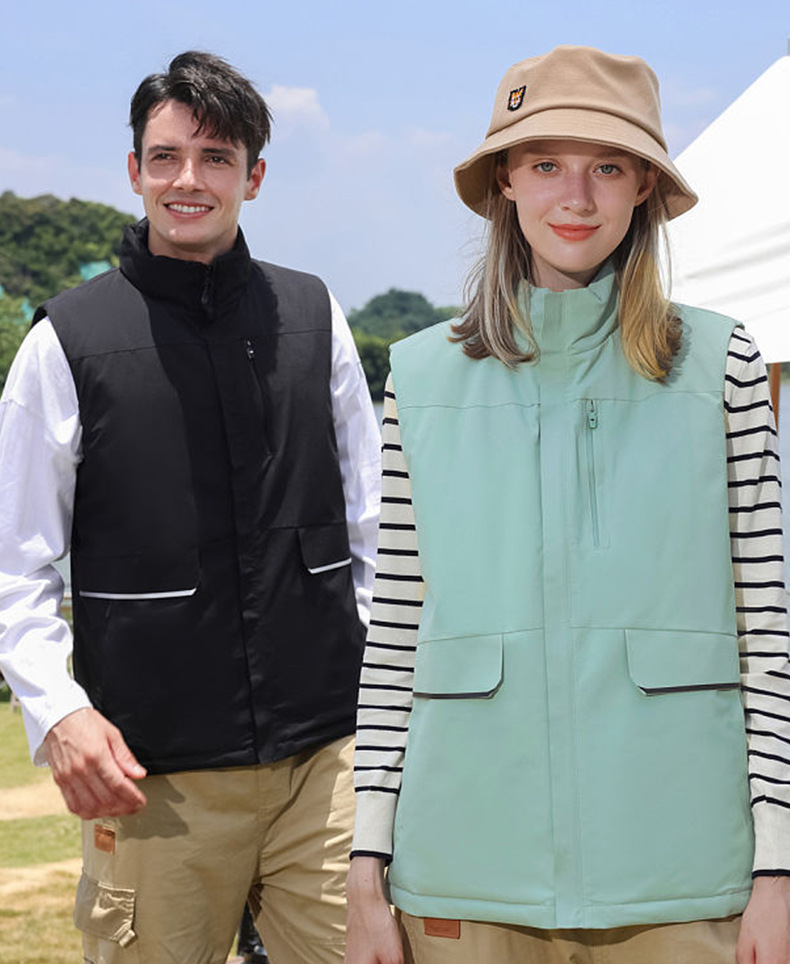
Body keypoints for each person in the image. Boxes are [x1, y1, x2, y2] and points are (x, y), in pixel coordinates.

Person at [346, 45, 790, 964]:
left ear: (645, 187)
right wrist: (364, 867)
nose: (576, 197)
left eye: (609, 167)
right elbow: (395, 637)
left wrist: (780, 868)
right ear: (505, 181)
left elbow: (770, 627)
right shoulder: (418, 379)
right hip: (463, 871)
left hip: (686, 873)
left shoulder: (726, 365)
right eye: (546, 163)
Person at [0, 51, 381, 963]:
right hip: (151, 776)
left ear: (254, 176)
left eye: (216, 158)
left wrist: (384, 709)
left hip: (326, 762)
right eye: (166, 157)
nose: (188, 180)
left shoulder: (315, 317)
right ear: (135, 170)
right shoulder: (65, 342)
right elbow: (16, 561)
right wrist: (58, 711)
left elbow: (374, 530)